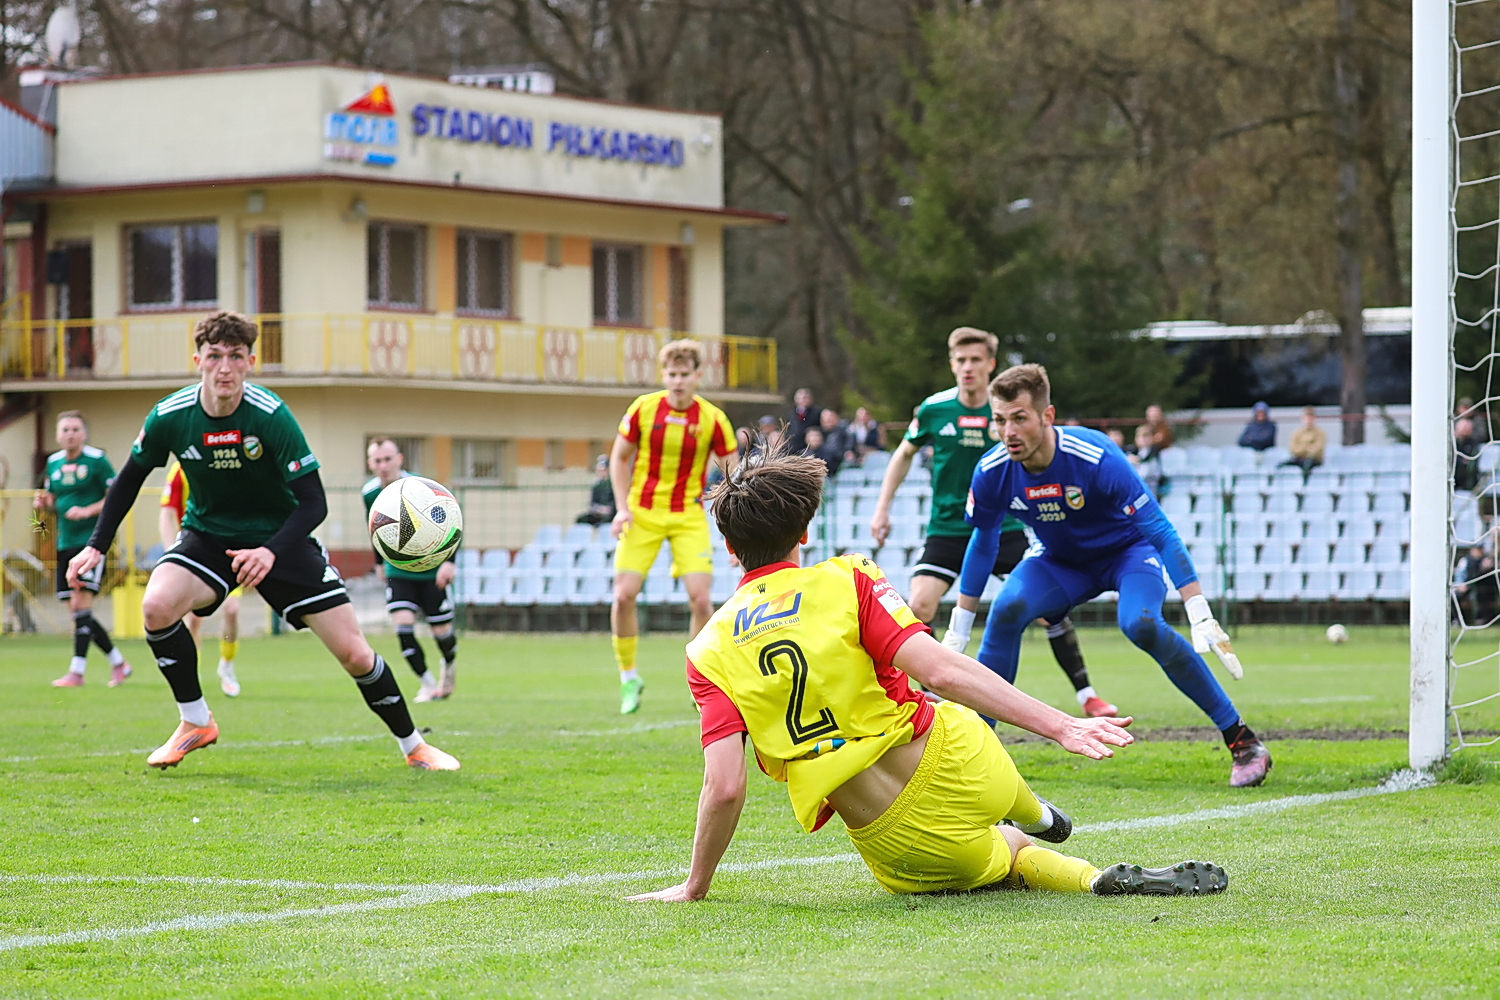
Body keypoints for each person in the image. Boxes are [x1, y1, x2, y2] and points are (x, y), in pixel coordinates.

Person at [624, 449, 1228, 903]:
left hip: (892, 842)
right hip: (963, 764)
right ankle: (1036, 812)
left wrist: (694, 885)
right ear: (804, 534)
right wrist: (1061, 725)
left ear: (729, 550)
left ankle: (1088, 876)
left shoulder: (706, 649)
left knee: (1009, 856)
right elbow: (941, 670)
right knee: (983, 767)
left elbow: (725, 787)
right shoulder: (847, 578)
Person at [67, 310, 459, 771]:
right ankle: (195, 721)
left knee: (354, 653)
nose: (225, 368)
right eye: (214, 356)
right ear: (198, 360)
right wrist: (96, 543)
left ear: (251, 361)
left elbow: (314, 503)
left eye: (236, 356)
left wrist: (270, 550)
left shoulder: (271, 415)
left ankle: (415, 746)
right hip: (208, 535)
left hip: (282, 540)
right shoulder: (170, 416)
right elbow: (129, 480)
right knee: (156, 606)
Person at [943, 364, 1270, 787]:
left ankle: (1241, 739)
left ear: (1047, 416)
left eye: (1020, 418)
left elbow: (1159, 530)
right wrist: (957, 631)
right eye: (1000, 420)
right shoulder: (991, 470)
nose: (1009, 432)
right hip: (1060, 561)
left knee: (1141, 624)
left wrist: (1199, 610)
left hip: (1127, 553)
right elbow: (982, 544)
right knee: (1007, 609)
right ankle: (975, 754)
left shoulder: (1095, 455)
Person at [869, 328, 1117, 719]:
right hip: (948, 529)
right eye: (960, 360)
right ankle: (926, 698)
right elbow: (903, 454)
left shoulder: (1007, 410)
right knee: (919, 604)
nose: (968, 368)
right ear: (952, 363)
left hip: (1004, 530)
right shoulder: (934, 409)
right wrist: (882, 507)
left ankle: (1087, 694)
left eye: (975, 360)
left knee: (1049, 609)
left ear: (991, 365)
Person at [610, 339, 738, 714]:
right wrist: (621, 509)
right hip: (643, 513)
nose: (678, 381)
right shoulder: (644, 409)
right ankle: (628, 676)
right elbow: (619, 458)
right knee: (623, 595)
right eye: (671, 374)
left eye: (685, 374)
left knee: (701, 599)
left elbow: (733, 475)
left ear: (698, 376)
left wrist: (735, 532)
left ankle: (697, 679)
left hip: (688, 516)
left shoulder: (713, 419)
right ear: (663, 375)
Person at [36, 411, 132, 688]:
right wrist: (44, 505)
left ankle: (76, 672)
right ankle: (119, 663)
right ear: (57, 434)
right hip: (64, 543)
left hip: (91, 544)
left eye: (75, 429)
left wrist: (88, 510)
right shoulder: (52, 464)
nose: (70, 434)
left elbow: (115, 497)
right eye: (65, 429)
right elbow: (50, 502)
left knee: (81, 607)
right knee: (78, 613)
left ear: (84, 433)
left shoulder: (97, 460)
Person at [363, 438, 459, 703]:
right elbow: (374, 529)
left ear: (399, 459)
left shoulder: (422, 487)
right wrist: (379, 564)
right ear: (370, 464)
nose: (383, 465)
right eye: (377, 461)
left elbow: (452, 521)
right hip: (399, 571)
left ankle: (449, 666)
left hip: (431, 569)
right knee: (403, 627)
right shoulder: (369, 493)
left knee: (442, 634)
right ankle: (428, 685)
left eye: (388, 459)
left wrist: (450, 561)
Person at [160, 458, 242, 697]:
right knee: (193, 621)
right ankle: (191, 678)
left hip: (230, 551)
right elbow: (166, 513)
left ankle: (227, 665)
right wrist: (171, 554)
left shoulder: (232, 464)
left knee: (232, 610)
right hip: (195, 553)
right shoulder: (180, 470)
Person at [1454, 544, 1498, 626]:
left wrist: (1484, 568)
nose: (1479, 551)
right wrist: (1460, 584)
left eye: (1481, 549)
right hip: (1466, 586)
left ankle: (1484, 618)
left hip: (1480, 588)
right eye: (1477, 549)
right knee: (1455, 596)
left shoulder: (1486, 561)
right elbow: (1460, 574)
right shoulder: (1465, 561)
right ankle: (1458, 619)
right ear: (1472, 550)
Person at [1282, 406, 1327, 479]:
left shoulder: (1320, 433)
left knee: (1307, 466)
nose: (1309, 420)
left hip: (1313, 460)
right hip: (1298, 458)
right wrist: (1308, 446)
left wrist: (1302, 447)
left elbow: (1317, 449)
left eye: (1311, 417)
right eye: (1307, 417)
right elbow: (1293, 449)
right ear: (1303, 418)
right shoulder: (1297, 433)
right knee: (1283, 465)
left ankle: (1304, 484)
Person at [577, 454, 617, 526]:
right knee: (581, 520)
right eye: (600, 470)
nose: (602, 472)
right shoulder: (596, 485)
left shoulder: (613, 484)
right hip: (598, 514)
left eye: (604, 470)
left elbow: (615, 503)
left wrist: (608, 509)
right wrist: (599, 509)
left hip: (611, 514)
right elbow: (592, 503)